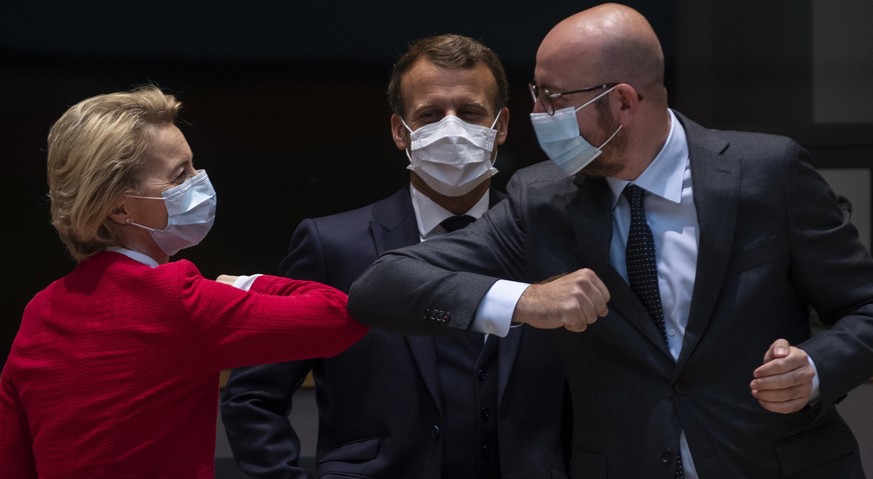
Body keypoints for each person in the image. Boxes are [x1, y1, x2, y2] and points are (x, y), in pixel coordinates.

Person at [347, 4, 873, 479]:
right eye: (536, 95)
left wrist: (816, 368)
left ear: (622, 101)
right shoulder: (544, 199)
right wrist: (524, 300)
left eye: (553, 98)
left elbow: (864, 309)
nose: (538, 115)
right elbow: (381, 286)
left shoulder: (766, 173)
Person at [220, 34, 570, 479]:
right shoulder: (334, 245)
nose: (451, 127)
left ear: (500, 126)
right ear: (399, 130)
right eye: (429, 114)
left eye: (469, 112)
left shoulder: (551, 236)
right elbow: (254, 394)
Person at [0, 85, 367, 479]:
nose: (200, 181)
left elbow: (12, 459)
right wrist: (246, 285)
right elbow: (341, 316)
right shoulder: (175, 299)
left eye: (194, 166)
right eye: (180, 174)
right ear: (119, 206)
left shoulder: (39, 311)